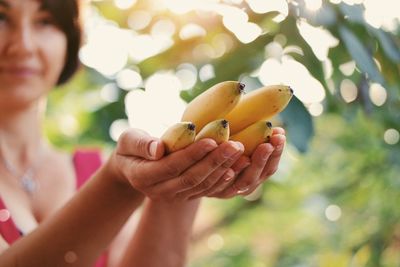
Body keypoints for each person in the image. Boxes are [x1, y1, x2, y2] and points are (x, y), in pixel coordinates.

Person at [0, 0, 287, 266]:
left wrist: (183, 183)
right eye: (1, 17)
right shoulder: (107, 179)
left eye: (46, 21)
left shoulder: (90, 170)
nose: (23, 45)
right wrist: (117, 182)